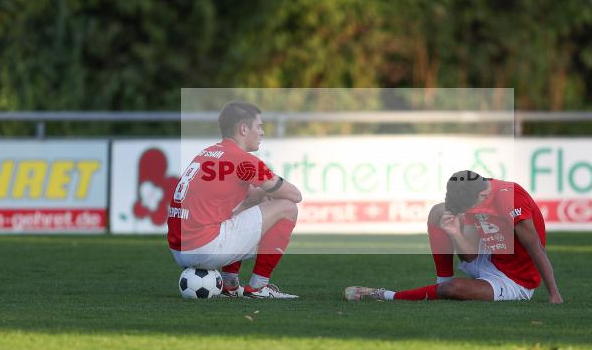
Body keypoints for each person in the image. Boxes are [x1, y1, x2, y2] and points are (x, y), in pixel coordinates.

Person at [345, 170, 563, 303]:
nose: (462, 211)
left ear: (483, 195)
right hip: (491, 256)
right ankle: (442, 281)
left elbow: (536, 248)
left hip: (515, 279)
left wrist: (554, 294)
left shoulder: (509, 199)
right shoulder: (473, 192)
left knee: (453, 290)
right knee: (438, 212)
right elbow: (469, 257)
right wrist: (455, 233)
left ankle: (386, 295)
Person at [168, 101, 303, 298]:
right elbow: (295, 195)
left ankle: (229, 284)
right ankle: (259, 287)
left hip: (179, 249)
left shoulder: (208, 153)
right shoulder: (243, 160)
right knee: (288, 208)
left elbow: (248, 197)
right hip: (204, 247)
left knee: (248, 206)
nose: (262, 133)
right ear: (243, 128)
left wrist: (261, 196)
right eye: (259, 127)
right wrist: (271, 193)